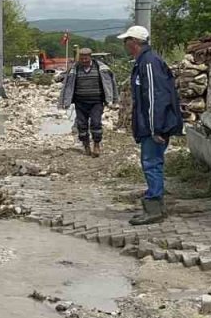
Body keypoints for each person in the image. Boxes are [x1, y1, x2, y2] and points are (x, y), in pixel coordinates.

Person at [118, 25, 182, 225]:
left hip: (155, 127)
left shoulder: (149, 63)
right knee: (153, 163)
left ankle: (154, 208)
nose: (124, 44)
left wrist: (156, 128)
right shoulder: (144, 61)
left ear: (134, 42)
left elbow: (155, 97)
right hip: (152, 125)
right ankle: (156, 206)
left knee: (151, 164)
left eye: (126, 40)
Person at [58, 48, 118, 156]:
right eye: (82, 58)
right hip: (80, 102)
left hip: (97, 102)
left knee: (96, 123)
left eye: (86, 58)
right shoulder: (74, 68)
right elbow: (66, 80)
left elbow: (111, 82)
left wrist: (112, 99)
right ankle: (86, 145)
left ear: (90, 57)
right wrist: (64, 100)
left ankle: (96, 145)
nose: (84, 61)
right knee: (81, 125)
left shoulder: (101, 68)